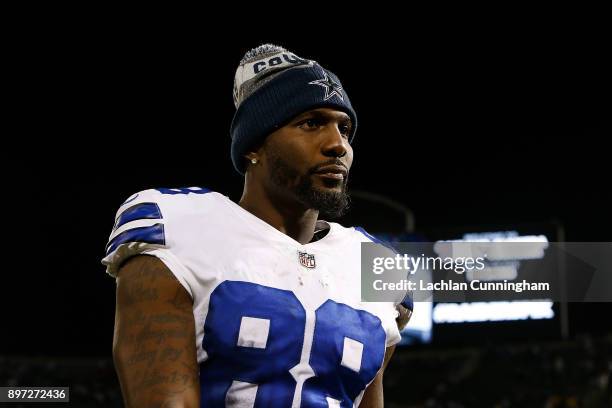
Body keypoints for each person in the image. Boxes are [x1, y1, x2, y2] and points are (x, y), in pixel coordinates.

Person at [103, 44, 412, 407]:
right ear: (254, 145)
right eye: (311, 123)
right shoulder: (177, 225)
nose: (337, 145)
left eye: (344, 129)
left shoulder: (374, 264)